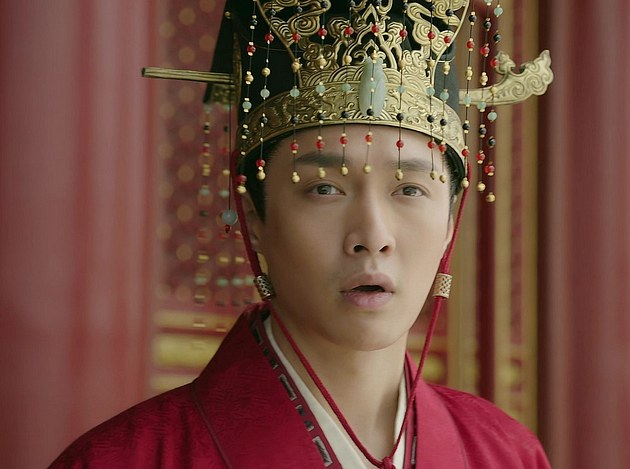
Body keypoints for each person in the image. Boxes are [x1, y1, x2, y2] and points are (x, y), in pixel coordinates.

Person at [50, 1, 552, 467]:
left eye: (410, 190)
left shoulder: (505, 454)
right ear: (255, 220)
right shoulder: (125, 459)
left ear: (450, 223)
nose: (372, 235)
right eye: (324, 188)